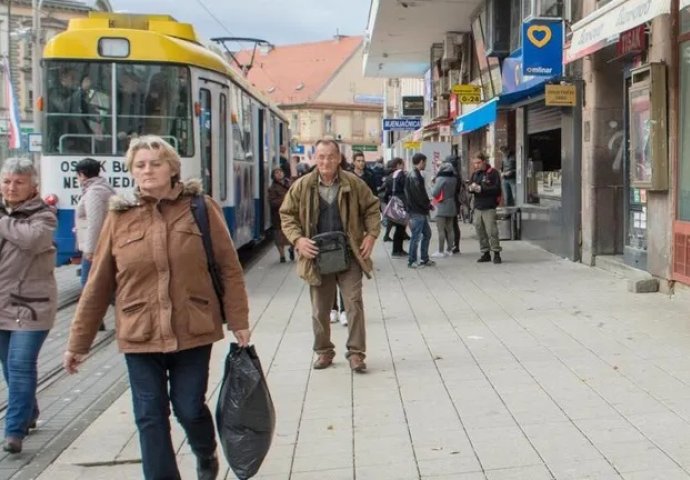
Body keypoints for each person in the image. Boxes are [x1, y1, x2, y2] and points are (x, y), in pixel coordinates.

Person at [63, 135, 251, 480]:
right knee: (149, 415)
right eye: (140, 165)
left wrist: (239, 319)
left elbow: (228, 267)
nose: (147, 170)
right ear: (132, 171)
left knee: (189, 406)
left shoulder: (199, 207)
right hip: (139, 331)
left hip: (192, 327)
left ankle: (205, 452)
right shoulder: (119, 217)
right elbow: (99, 282)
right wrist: (78, 342)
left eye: (155, 163)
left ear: (172, 168)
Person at [280, 139, 380, 373]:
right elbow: (287, 215)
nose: (326, 161)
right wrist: (298, 240)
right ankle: (324, 351)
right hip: (317, 256)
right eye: (321, 156)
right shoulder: (302, 185)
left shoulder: (354, 184)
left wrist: (371, 235)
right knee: (320, 310)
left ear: (338, 159)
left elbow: (372, 208)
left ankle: (356, 353)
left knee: (353, 304)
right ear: (315, 158)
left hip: (349, 254)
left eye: (331, 157)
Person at [0, 158, 58, 454]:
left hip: (31, 306)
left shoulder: (44, 215)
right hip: (1, 307)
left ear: (34, 186)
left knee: (20, 366)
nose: (11, 187)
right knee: (9, 369)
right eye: (7, 181)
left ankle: (14, 431)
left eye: (19, 182)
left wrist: (4, 222)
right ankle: (29, 412)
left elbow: (34, 240)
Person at [75, 157, 115, 288]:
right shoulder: (102, 187)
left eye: (78, 175)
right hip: (102, 242)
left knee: (87, 284)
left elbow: (95, 221)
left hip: (95, 245)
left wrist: (90, 250)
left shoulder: (94, 192)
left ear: (81, 174)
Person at [469, 152, 502, 264]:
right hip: (478, 206)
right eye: (474, 163)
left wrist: (481, 189)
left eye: (478, 163)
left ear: (484, 161)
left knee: (492, 231)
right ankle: (485, 252)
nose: (476, 165)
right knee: (480, 230)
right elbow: (470, 186)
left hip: (489, 206)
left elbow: (497, 189)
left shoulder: (493, 173)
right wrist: (471, 188)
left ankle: (496, 253)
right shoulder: (475, 174)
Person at [404, 153, 435, 269]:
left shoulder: (414, 174)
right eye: (425, 162)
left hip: (419, 210)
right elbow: (419, 195)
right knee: (416, 237)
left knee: (427, 234)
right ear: (421, 161)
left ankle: (424, 258)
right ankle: (412, 261)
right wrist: (427, 205)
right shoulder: (414, 176)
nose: (425, 164)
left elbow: (420, 194)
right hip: (417, 211)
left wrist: (428, 205)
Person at [430, 161, 458, 258]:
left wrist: (431, 185)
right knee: (450, 229)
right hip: (452, 204)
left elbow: (434, 193)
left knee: (441, 229)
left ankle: (440, 251)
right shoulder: (454, 178)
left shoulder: (441, 178)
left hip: (442, 205)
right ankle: (449, 250)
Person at [382, 157, 408, 257]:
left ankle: (397, 250)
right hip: (401, 203)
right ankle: (398, 250)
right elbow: (406, 189)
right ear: (398, 165)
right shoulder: (402, 175)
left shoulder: (390, 177)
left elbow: (386, 191)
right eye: (402, 164)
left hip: (393, 203)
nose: (403, 166)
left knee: (398, 228)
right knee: (401, 228)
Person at [268, 167, 294, 263]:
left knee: (293, 233)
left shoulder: (290, 184)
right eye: (276, 173)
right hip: (278, 215)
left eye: (280, 172)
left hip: (291, 213)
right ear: (273, 176)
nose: (279, 174)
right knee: (279, 235)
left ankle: (292, 249)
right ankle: (282, 256)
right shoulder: (272, 188)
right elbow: (272, 202)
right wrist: (285, 200)